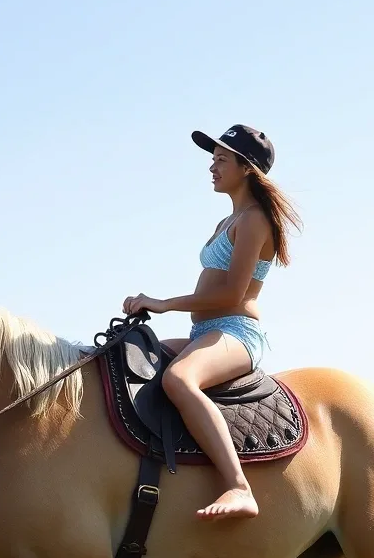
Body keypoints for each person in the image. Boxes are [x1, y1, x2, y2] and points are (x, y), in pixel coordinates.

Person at [122, 124, 301, 521]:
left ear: (246, 168)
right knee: (129, 352)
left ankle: (239, 487)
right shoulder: (227, 222)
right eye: (213, 159)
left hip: (237, 333)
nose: (212, 167)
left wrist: (163, 303)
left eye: (221, 160)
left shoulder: (253, 220)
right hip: (205, 332)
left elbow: (231, 296)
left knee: (179, 379)